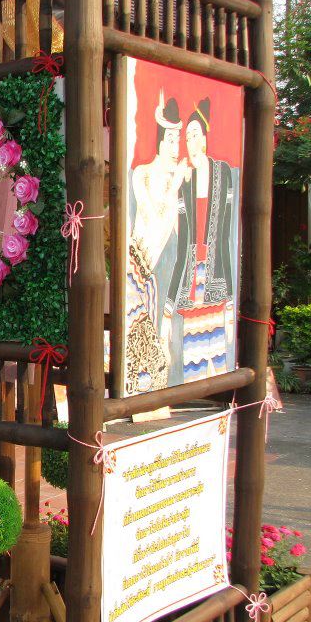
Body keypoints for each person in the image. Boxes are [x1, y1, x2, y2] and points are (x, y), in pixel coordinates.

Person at [162, 98, 237, 383]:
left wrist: (230, 302)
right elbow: (179, 243)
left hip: (216, 275)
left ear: (204, 138)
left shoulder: (223, 173)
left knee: (218, 359)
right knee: (193, 362)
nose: (190, 140)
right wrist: (168, 310)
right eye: (187, 136)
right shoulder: (186, 179)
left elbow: (226, 237)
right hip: (191, 278)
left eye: (195, 134)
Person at [125, 92, 191, 395]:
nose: (176, 148)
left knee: (169, 318)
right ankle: (143, 375)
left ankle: (165, 375)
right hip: (146, 260)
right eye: (171, 140)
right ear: (160, 141)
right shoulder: (143, 174)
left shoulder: (180, 176)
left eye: (179, 141)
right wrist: (175, 185)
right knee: (144, 319)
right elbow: (154, 216)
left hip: (175, 257)